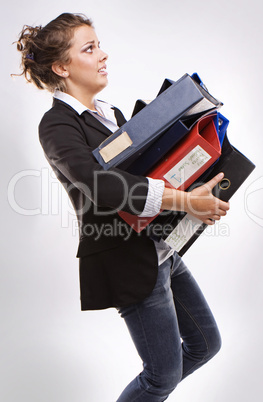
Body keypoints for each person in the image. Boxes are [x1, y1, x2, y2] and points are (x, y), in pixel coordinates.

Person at [15, 13, 230, 401]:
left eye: (99, 45)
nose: (103, 55)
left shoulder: (111, 115)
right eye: (90, 48)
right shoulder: (56, 125)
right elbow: (103, 187)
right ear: (62, 66)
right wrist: (185, 200)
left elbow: (148, 175)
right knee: (162, 376)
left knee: (205, 345)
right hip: (124, 258)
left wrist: (194, 191)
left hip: (160, 248)